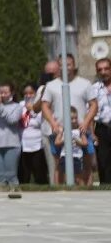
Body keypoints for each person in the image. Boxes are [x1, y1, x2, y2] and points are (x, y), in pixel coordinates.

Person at [42, 54, 96, 185]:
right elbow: (45, 106)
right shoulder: (51, 85)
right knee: (59, 166)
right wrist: (54, 124)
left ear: (74, 65)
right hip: (59, 132)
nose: (65, 68)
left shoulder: (85, 83)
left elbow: (94, 104)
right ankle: (59, 191)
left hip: (81, 132)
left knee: (86, 165)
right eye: (61, 65)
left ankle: (87, 191)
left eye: (68, 64)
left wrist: (87, 122)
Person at [0, 84, 25, 189]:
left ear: (12, 93)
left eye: (5, 92)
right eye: (1, 92)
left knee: (11, 175)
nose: (3, 95)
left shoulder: (17, 107)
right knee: (0, 177)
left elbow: (12, 120)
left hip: (12, 144)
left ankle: (15, 194)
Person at [19, 83, 49, 185]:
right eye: (26, 93)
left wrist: (32, 110)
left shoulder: (40, 107)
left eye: (31, 93)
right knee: (24, 173)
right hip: (24, 144)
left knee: (39, 172)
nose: (28, 95)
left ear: (35, 93)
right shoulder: (20, 105)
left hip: (37, 144)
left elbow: (41, 123)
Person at [94, 58, 111, 184]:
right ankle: (105, 188)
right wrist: (92, 134)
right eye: (100, 69)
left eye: (106, 68)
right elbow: (89, 112)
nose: (103, 72)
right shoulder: (94, 89)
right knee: (103, 160)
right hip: (102, 128)